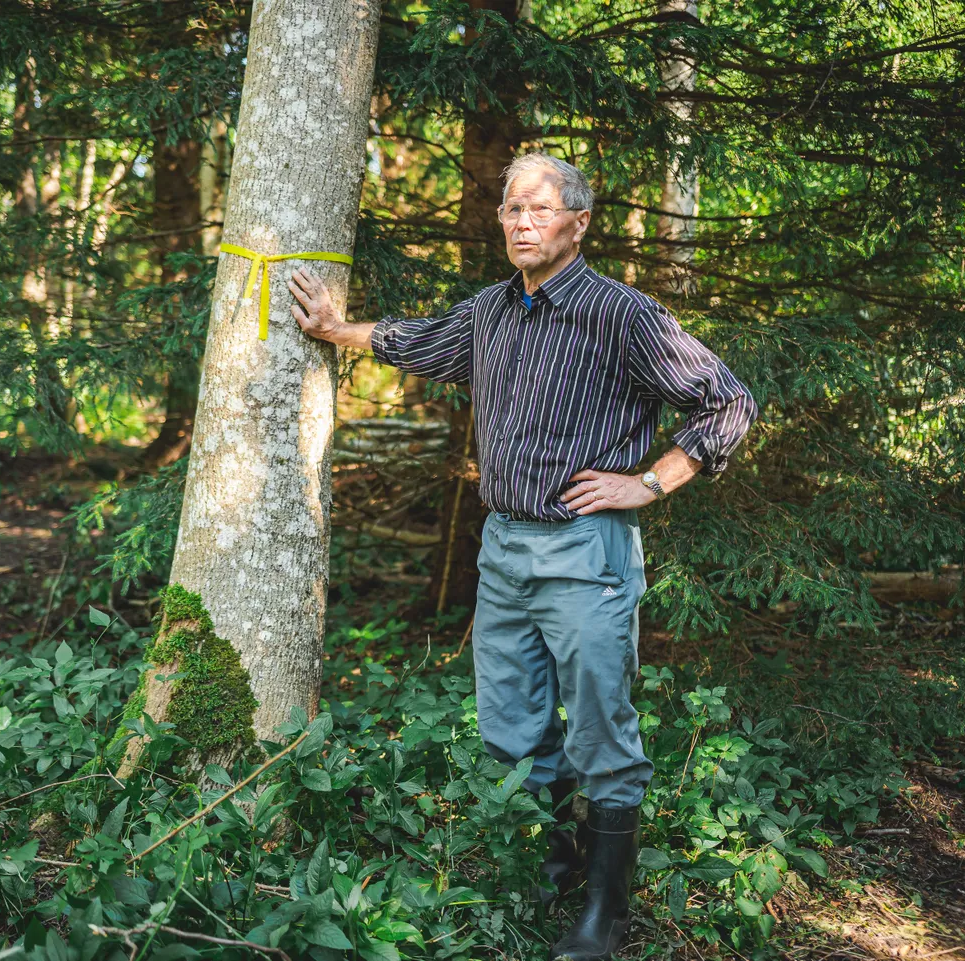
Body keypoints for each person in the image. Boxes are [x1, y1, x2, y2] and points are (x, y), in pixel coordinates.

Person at [288, 152, 757, 961]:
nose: (522, 222)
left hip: (586, 550)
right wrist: (336, 330)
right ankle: (547, 861)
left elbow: (730, 401)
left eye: (540, 209)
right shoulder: (492, 310)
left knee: (601, 728)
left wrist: (649, 481)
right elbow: (419, 340)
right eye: (511, 209)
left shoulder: (625, 315)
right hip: (502, 547)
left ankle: (603, 915)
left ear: (578, 223)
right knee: (510, 723)